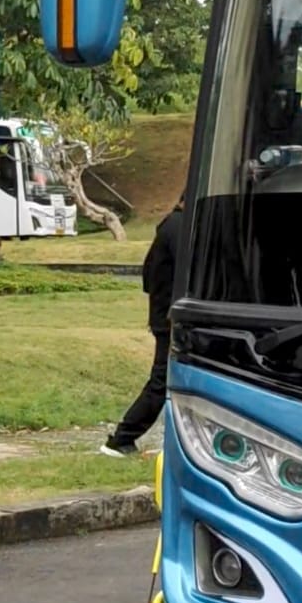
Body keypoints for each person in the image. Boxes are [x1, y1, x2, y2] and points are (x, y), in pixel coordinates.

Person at [102, 195, 185, 457]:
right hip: (173, 318)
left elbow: (148, 274)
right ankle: (122, 437)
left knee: (169, 378)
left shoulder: (170, 226)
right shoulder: (181, 228)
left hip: (165, 315)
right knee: (162, 379)